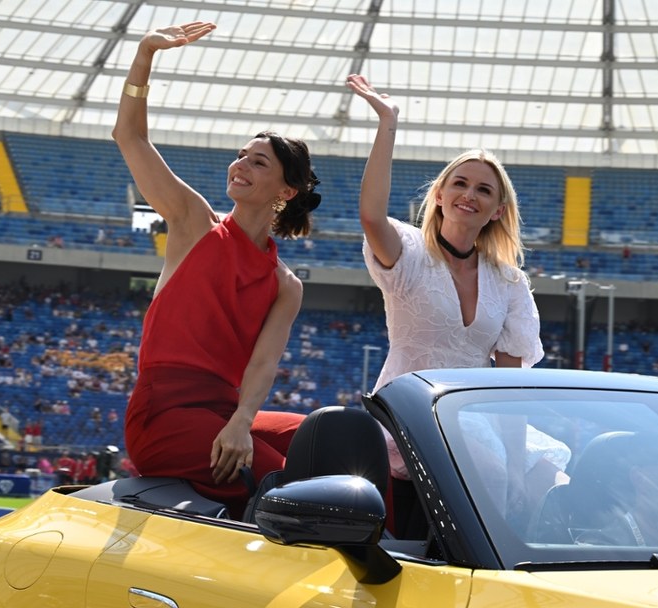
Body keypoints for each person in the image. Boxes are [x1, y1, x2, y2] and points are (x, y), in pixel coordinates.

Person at [114, 22, 322, 518]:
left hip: (225, 411)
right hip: (163, 414)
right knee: (283, 482)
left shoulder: (284, 285)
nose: (240, 166)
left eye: (258, 163)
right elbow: (129, 136)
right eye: (240, 157)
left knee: (323, 440)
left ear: (285, 192)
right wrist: (145, 54)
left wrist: (240, 420)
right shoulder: (193, 222)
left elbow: (261, 365)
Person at [345, 74, 562, 529]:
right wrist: (388, 121)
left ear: (497, 210)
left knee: (549, 478)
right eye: (460, 183)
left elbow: (509, 386)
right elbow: (369, 214)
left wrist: (517, 463)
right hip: (406, 411)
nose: (470, 194)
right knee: (483, 475)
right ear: (440, 195)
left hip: (472, 415)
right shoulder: (407, 253)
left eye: (485, 190)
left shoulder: (508, 281)